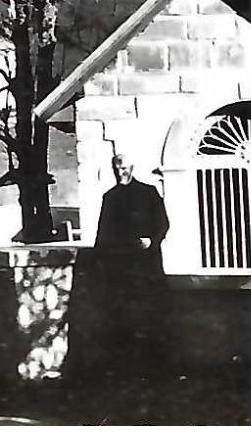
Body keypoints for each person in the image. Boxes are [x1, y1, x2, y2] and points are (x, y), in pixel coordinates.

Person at [92, 155, 171, 373]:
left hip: (147, 266)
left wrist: (152, 240)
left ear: (132, 168)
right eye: (117, 169)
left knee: (150, 314)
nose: (121, 173)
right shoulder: (110, 197)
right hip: (121, 269)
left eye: (124, 168)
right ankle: (126, 367)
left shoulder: (148, 192)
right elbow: (103, 233)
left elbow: (163, 223)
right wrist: (101, 263)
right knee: (123, 316)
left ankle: (155, 364)